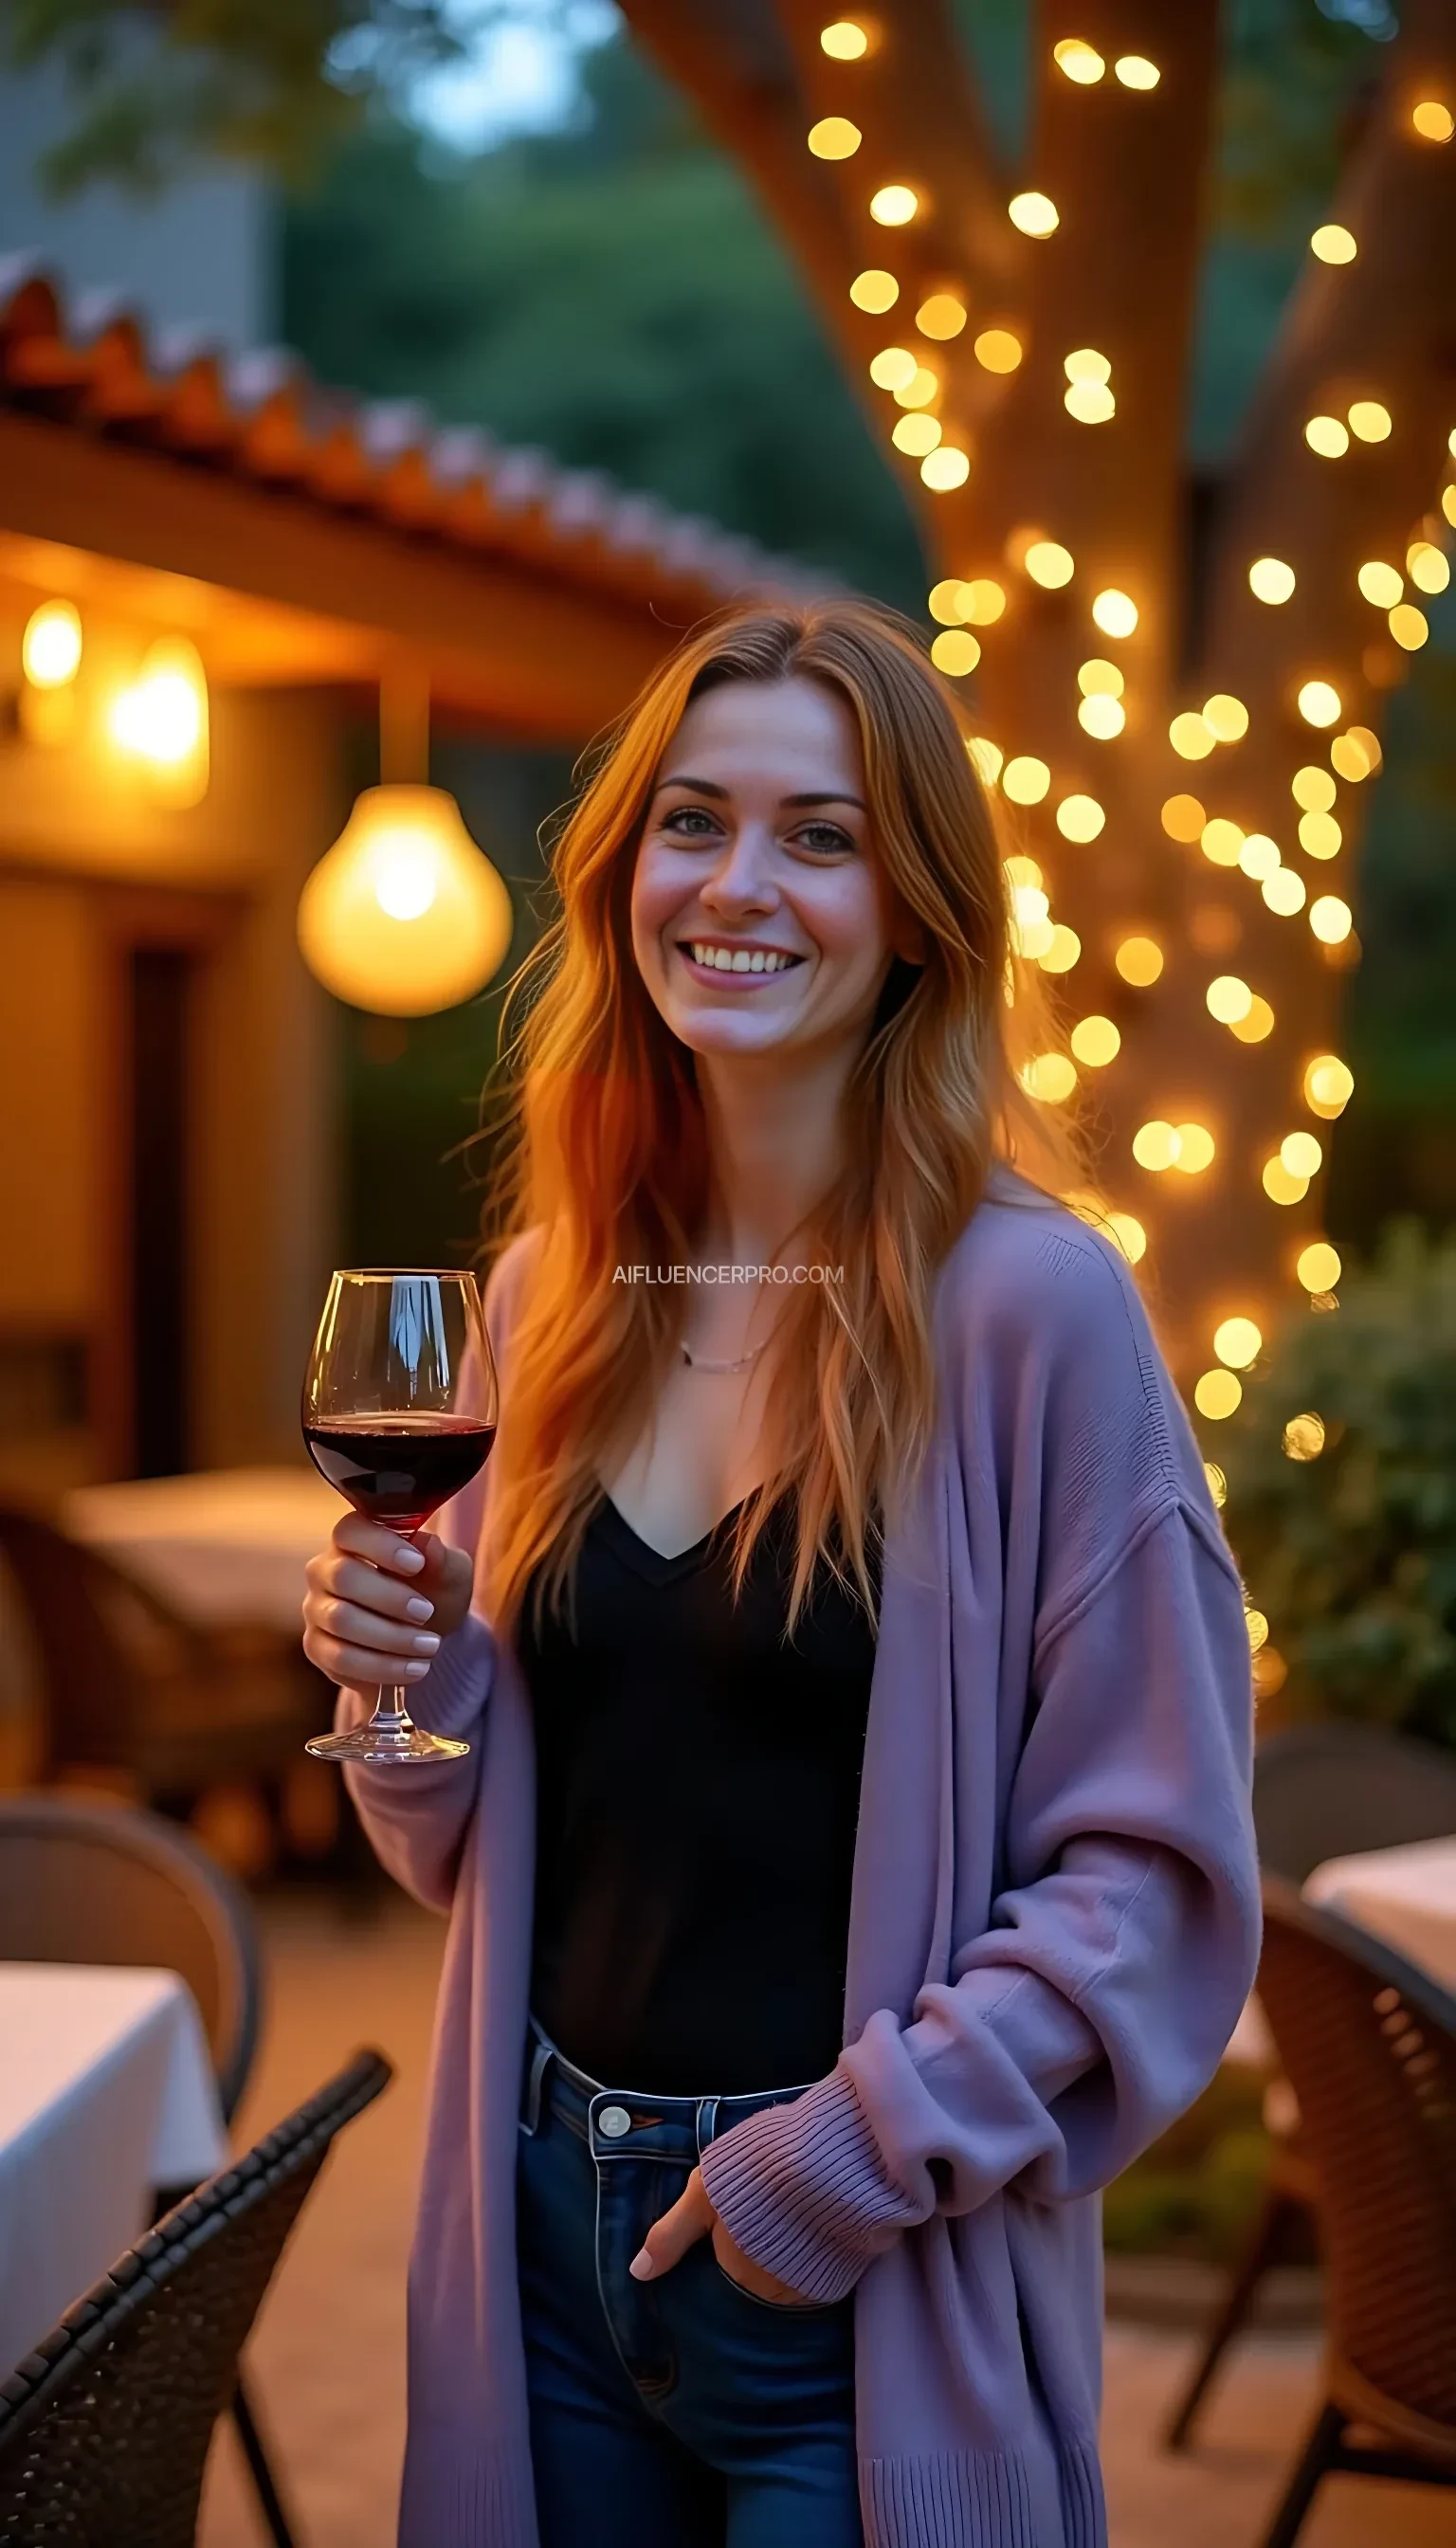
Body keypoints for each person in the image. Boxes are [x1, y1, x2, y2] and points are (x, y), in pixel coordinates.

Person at [301, 599, 1262, 2548]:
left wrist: (821, 2175)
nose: (739, 884)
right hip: (539, 2231)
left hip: (846, 2279)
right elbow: (463, 1843)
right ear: (623, 874)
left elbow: (1151, 1883)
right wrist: (401, 1688)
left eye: (819, 835)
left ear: (917, 912)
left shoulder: (1035, 1312)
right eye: (694, 821)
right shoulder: (552, 1294)